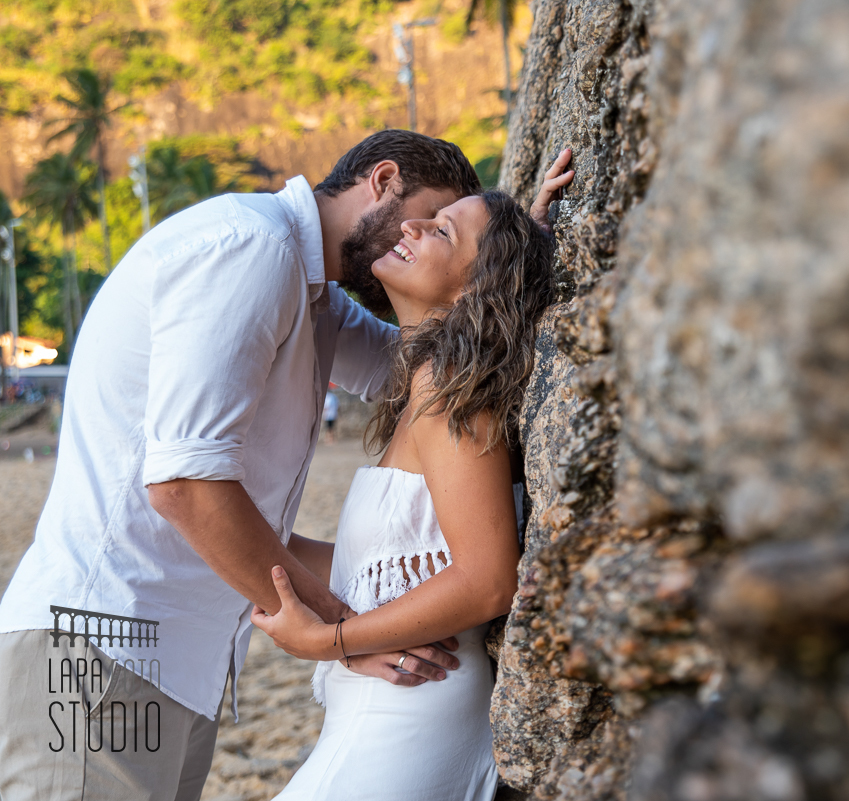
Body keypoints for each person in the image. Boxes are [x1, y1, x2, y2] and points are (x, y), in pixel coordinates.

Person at [0, 130, 485, 801]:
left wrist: (515, 254)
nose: (419, 237)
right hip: (101, 647)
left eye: (442, 231)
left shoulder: (311, 293)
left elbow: (414, 371)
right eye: (426, 217)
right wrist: (339, 632)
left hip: (172, 663)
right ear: (383, 180)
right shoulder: (250, 248)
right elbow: (186, 485)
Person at [252, 162, 575, 799]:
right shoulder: (433, 387)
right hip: (384, 716)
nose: (414, 224)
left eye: (444, 233)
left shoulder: (451, 390)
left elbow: (488, 580)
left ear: (482, 288)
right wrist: (267, 557)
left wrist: (329, 640)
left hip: (405, 717)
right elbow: (390, 563)